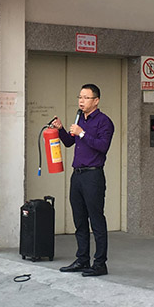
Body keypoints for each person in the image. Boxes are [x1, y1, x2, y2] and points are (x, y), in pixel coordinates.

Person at [51, 83, 115, 277]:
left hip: (93, 175)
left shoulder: (104, 122)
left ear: (96, 101)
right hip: (77, 175)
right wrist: (61, 129)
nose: (81, 101)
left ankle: (100, 264)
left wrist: (82, 133)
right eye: (80, 97)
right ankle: (82, 259)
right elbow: (70, 142)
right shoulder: (79, 118)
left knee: (96, 220)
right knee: (79, 220)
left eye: (86, 97)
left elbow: (103, 146)